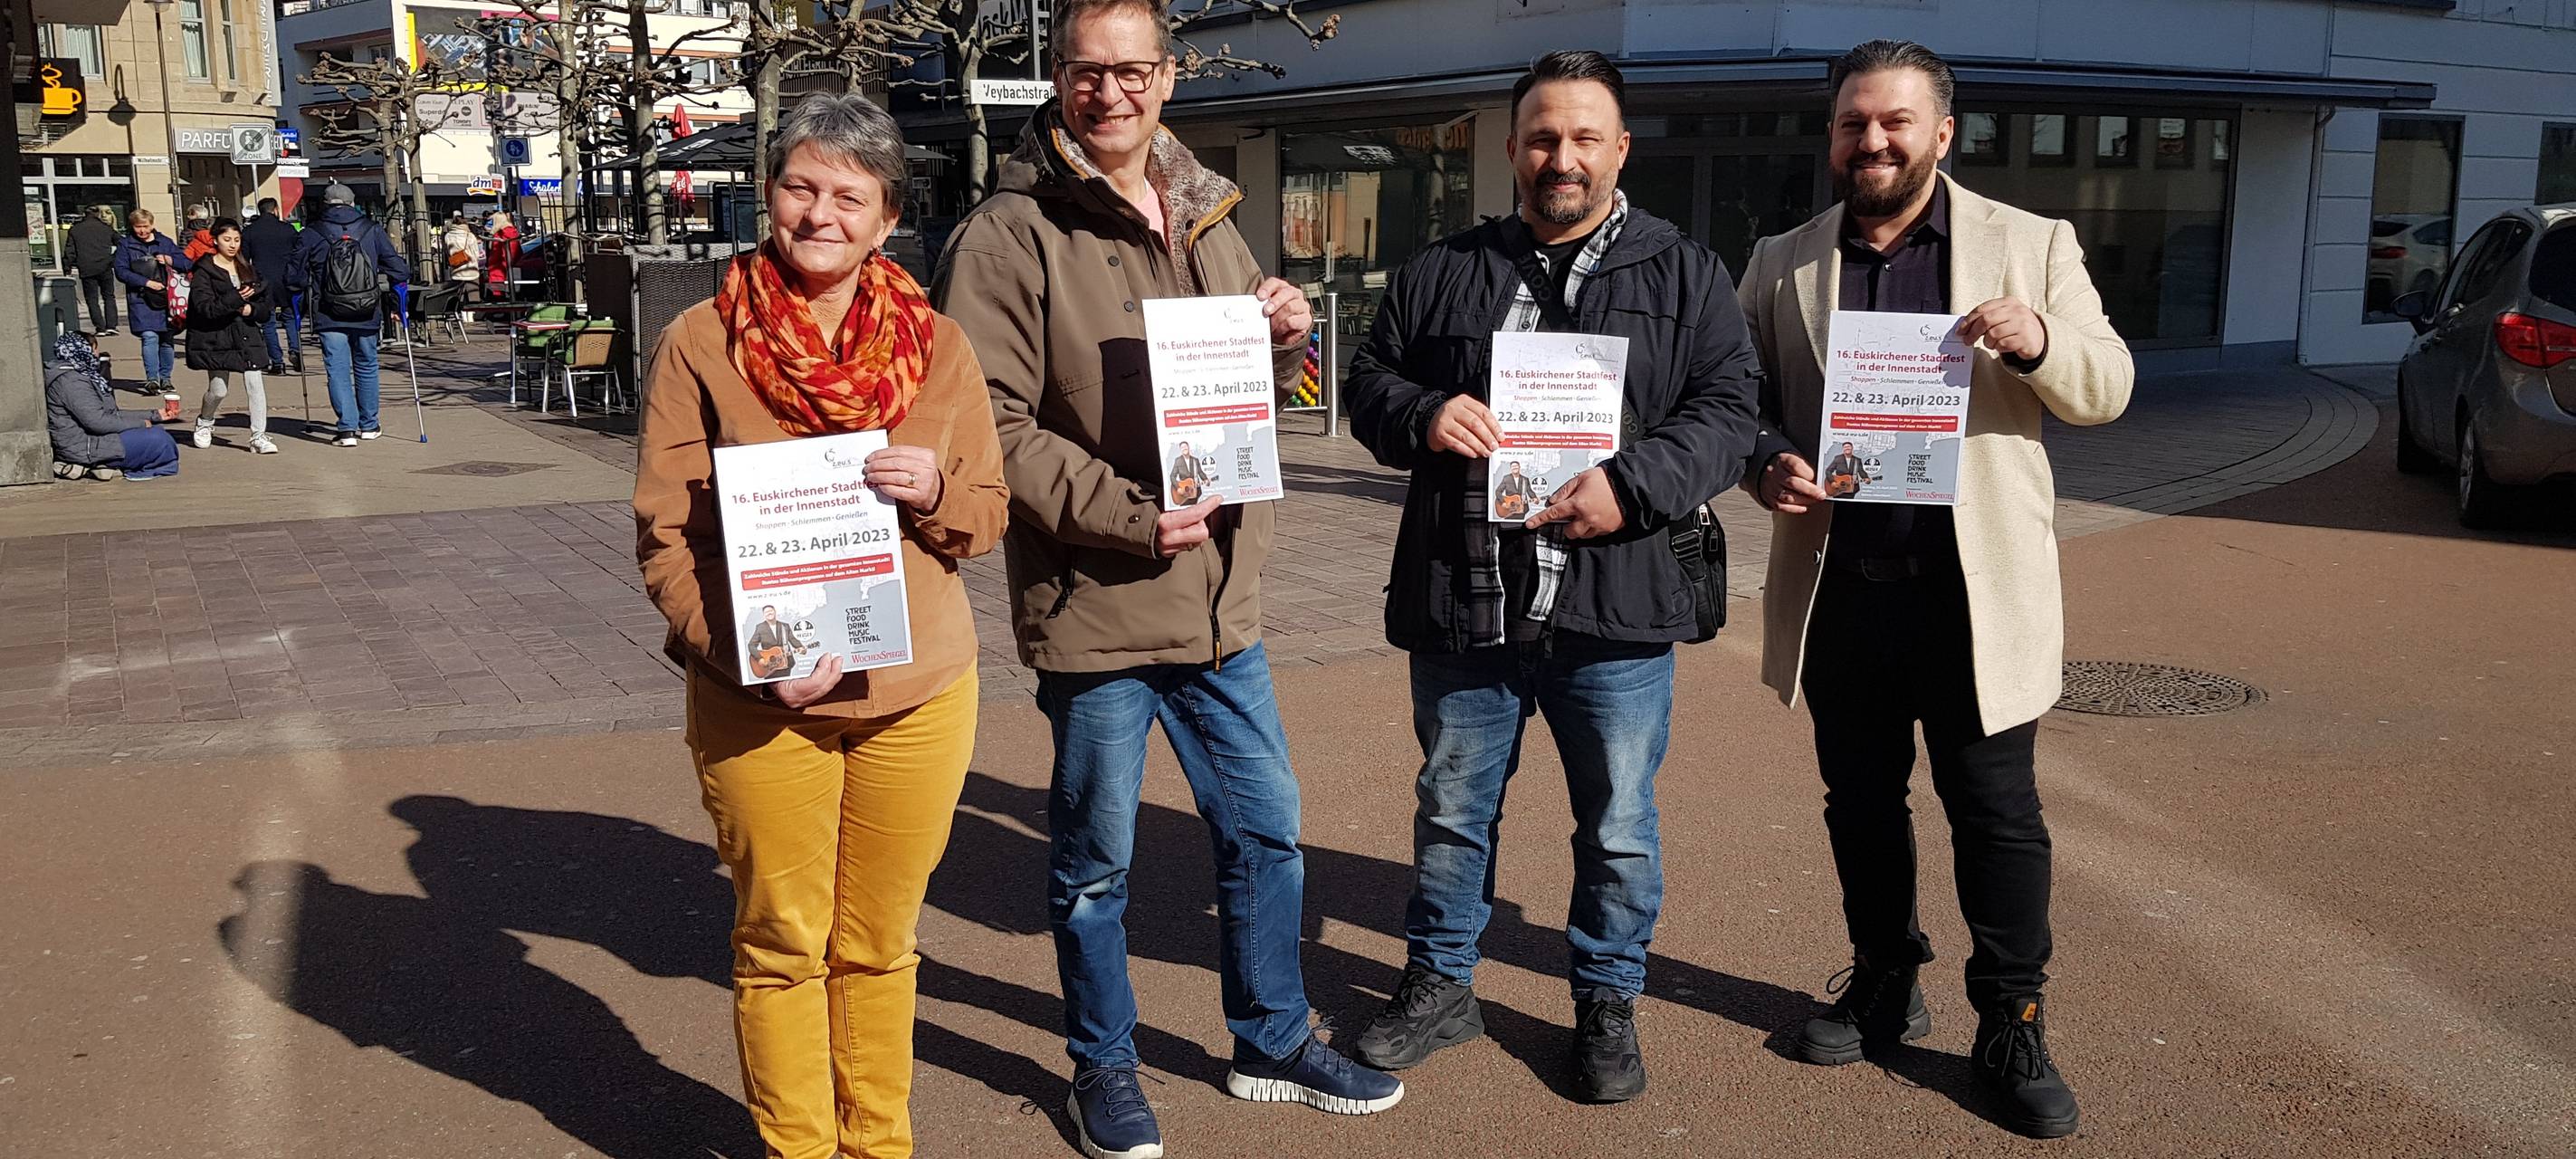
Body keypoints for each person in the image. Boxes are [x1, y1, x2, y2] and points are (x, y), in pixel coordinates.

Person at [933, 1, 1403, 1154]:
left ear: (1168, 78)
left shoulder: (1208, 207)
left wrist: (1285, 333)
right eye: (1086, 73)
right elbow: (986, 423)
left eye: (1131, 71)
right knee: (1097, 862)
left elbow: (1243, 377)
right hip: (1098, 598)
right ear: (1058, 77)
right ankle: (1103, 1064)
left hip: (1219, 602)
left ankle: (1271, 1038)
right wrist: (1132, 519)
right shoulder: (1009, 231)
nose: (1109, 94)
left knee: (1265, 833)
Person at [1340, 50, 1760, 1103]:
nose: (1558, 157)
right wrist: (1422, 412)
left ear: (1618, 149)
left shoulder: (1684, 271)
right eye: (1539, 137)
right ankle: (1440, 983)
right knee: (1449, 806)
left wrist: (1635, 483)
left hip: (1612, 606)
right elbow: (1367, 382)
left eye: (1582, 138)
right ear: (1513, 148)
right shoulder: (1447, 266)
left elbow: (1725, 412)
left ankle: (1605, 999)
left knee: (1616, 821)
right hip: (1464, 597)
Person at [1737, 40, 2133, 1140]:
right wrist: (1764, 457)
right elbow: (1736, 399)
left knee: (1995, 813)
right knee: (1858, 801)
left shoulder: (2029, 243)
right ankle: (1882, 975)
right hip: (1843, 589)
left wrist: (2041, 338)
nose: (1872, 141)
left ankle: (2010, 1015)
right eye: (1853, 122)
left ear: (1941, 132)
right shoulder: (1782, 259)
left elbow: (2108, 386)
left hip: (1974, 594)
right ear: (1831, 135)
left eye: (1895, 122)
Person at [633, 92, 1009, 1159]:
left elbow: (985, 513)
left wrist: (935, 487)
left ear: (888, 217)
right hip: (764, 698)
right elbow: (666, 537)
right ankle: (797, 1148)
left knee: (880, 941)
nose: (821, 213)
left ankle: (878, 1143)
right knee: (781, 942)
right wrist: (747, 656)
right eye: (801, 186)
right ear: (768, 196)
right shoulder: (700, 342)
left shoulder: (938, 347)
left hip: (916, 693)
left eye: (850, 195)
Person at [289, 184, 411, 446]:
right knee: (367, 366)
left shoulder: (312, 233)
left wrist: (298, 299)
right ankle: (369, 425)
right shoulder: (372, 230)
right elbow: (398, 269)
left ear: (325, 203)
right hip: (366, 310)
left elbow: (294, 276)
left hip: (329, 312)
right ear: (352, 202)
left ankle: (346, 429)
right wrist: (398, 300)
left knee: (338, 369)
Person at [183, 219, 279, 455]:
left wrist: (252, 310)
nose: (233, 245)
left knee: (255, 382)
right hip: (216, 337)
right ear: (215, 240)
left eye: (236, 240)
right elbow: (205, 308)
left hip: (246, 334)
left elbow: (265, 307)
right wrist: (236, 300)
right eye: (227, 240)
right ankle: (205, 421)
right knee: (218, 389)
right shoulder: (204, 271)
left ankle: (258, 435)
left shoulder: (247, 268)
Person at [45, 330, 181, 481]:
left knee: (158, 433)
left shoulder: (82, 375)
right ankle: (107, 465)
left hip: (92, 440)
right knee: (160, 441)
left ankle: (105, 465)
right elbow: (97, 422)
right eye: (95, 349)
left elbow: (110, 414)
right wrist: (142, 423)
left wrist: (154, 415)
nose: (97, 354)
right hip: (84, 447)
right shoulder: (72, 382)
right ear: (84, 349)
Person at [112, 209, 193, 398]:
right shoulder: (126, 245)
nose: (142, 231)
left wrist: (168, 259)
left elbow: (186, 263)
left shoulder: (164, 242)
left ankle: (166, 378)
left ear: (152, 224)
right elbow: (121, 271)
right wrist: (146, 282)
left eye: (146, 226)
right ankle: (152, 379)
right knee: (149, 336)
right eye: (138, 227)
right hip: (141, 298)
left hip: (166, 299)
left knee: (166, 339)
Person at [243, 198, 303, 375]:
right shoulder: (288, 229)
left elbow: (245, 260)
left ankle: (277, 362)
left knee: (268, 322)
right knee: (290, 317)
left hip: (262, 280)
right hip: (286, 279)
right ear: (275, 210)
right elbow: (297, 253)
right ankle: (295, 351)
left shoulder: (250, 231)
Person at [67, 206, 121, 335]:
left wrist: (67, 267)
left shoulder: (76, 230)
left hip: (86, 267)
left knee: (92, 299)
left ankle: (100, 327)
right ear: (98, 214)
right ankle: (111, 326)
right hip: (105, 265)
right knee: (109, 296)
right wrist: (113, 258)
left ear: (84, 214)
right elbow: (121, 243)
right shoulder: (106, 229)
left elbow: (70, 251)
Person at [441, 212, 485, 302]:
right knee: (473, 297)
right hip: (471, 270)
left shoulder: (448, 236)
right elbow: (476, 254)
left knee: (458, 297)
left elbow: (447, 252)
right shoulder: (470, 236)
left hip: (456, 269)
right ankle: (473, 314)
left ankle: (461, 313)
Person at [485, 210, 520, 301]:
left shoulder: (500, 234)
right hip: (509, 265)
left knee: (498, 296)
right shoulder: (513, 232)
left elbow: (496, 255)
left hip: (498, 267)